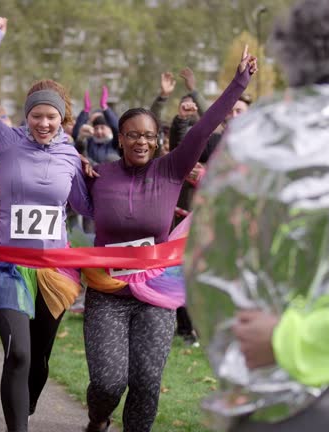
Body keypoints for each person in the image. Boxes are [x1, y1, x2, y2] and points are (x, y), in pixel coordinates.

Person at [185, 0, 329, 430]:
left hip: (274, 387)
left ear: (288, 55)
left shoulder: (257, 139)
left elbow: (209, 269)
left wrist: (274, 342)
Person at [77, 48, 256, 432]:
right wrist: (75, 162)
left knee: (145, 382)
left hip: (156, 293)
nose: (140, 142)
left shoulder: (172, 169)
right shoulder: (100, 174)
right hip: (107, 291)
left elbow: (206, 125)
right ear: (120, 139)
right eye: (132, 135)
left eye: (148, 135)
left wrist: (239, 81)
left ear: (158, 140)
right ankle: (98, 418)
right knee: (109, 382)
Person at [0, 16, 92, 432]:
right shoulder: (4, 140)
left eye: (51, 117)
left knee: (39, 360)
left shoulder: (71, 156)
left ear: (61, 119)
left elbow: (85, 208)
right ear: (27, 116)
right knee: (17, 353)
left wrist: (97, 178)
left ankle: (27, 404)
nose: (43, 122)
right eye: (37, 115)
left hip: (54, 270)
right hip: (7, 267)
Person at [73, 87, 121, 165]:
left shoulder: (114, 143)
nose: (99, 131)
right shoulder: (90, 142)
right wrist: (86, 111)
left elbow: (117, 129)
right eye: (96, 128)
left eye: (102, 128)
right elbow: (76, 134)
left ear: (109, 129)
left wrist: (105, 107)